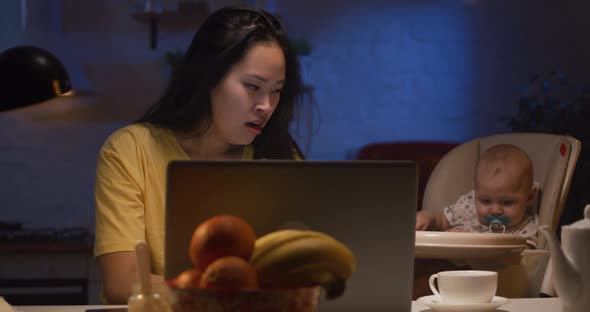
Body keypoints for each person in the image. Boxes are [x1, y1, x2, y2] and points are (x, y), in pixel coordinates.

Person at [94, 5, 306, 303]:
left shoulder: (281, 157)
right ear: (208, 79)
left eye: (276, 90)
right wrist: (229, 291)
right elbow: (121, 283)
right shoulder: (131, 150)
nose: (266, 105)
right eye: (253, 86)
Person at [415, 144, 539, 248]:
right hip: (446, 267)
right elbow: (442, 219)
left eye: (507, 202)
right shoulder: (469, 205)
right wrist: (428, 217)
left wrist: (470, 241)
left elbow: (522, 259)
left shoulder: (526, 229)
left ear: (529, 197)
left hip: (493, 274)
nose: (495, 211)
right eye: (485, 201)